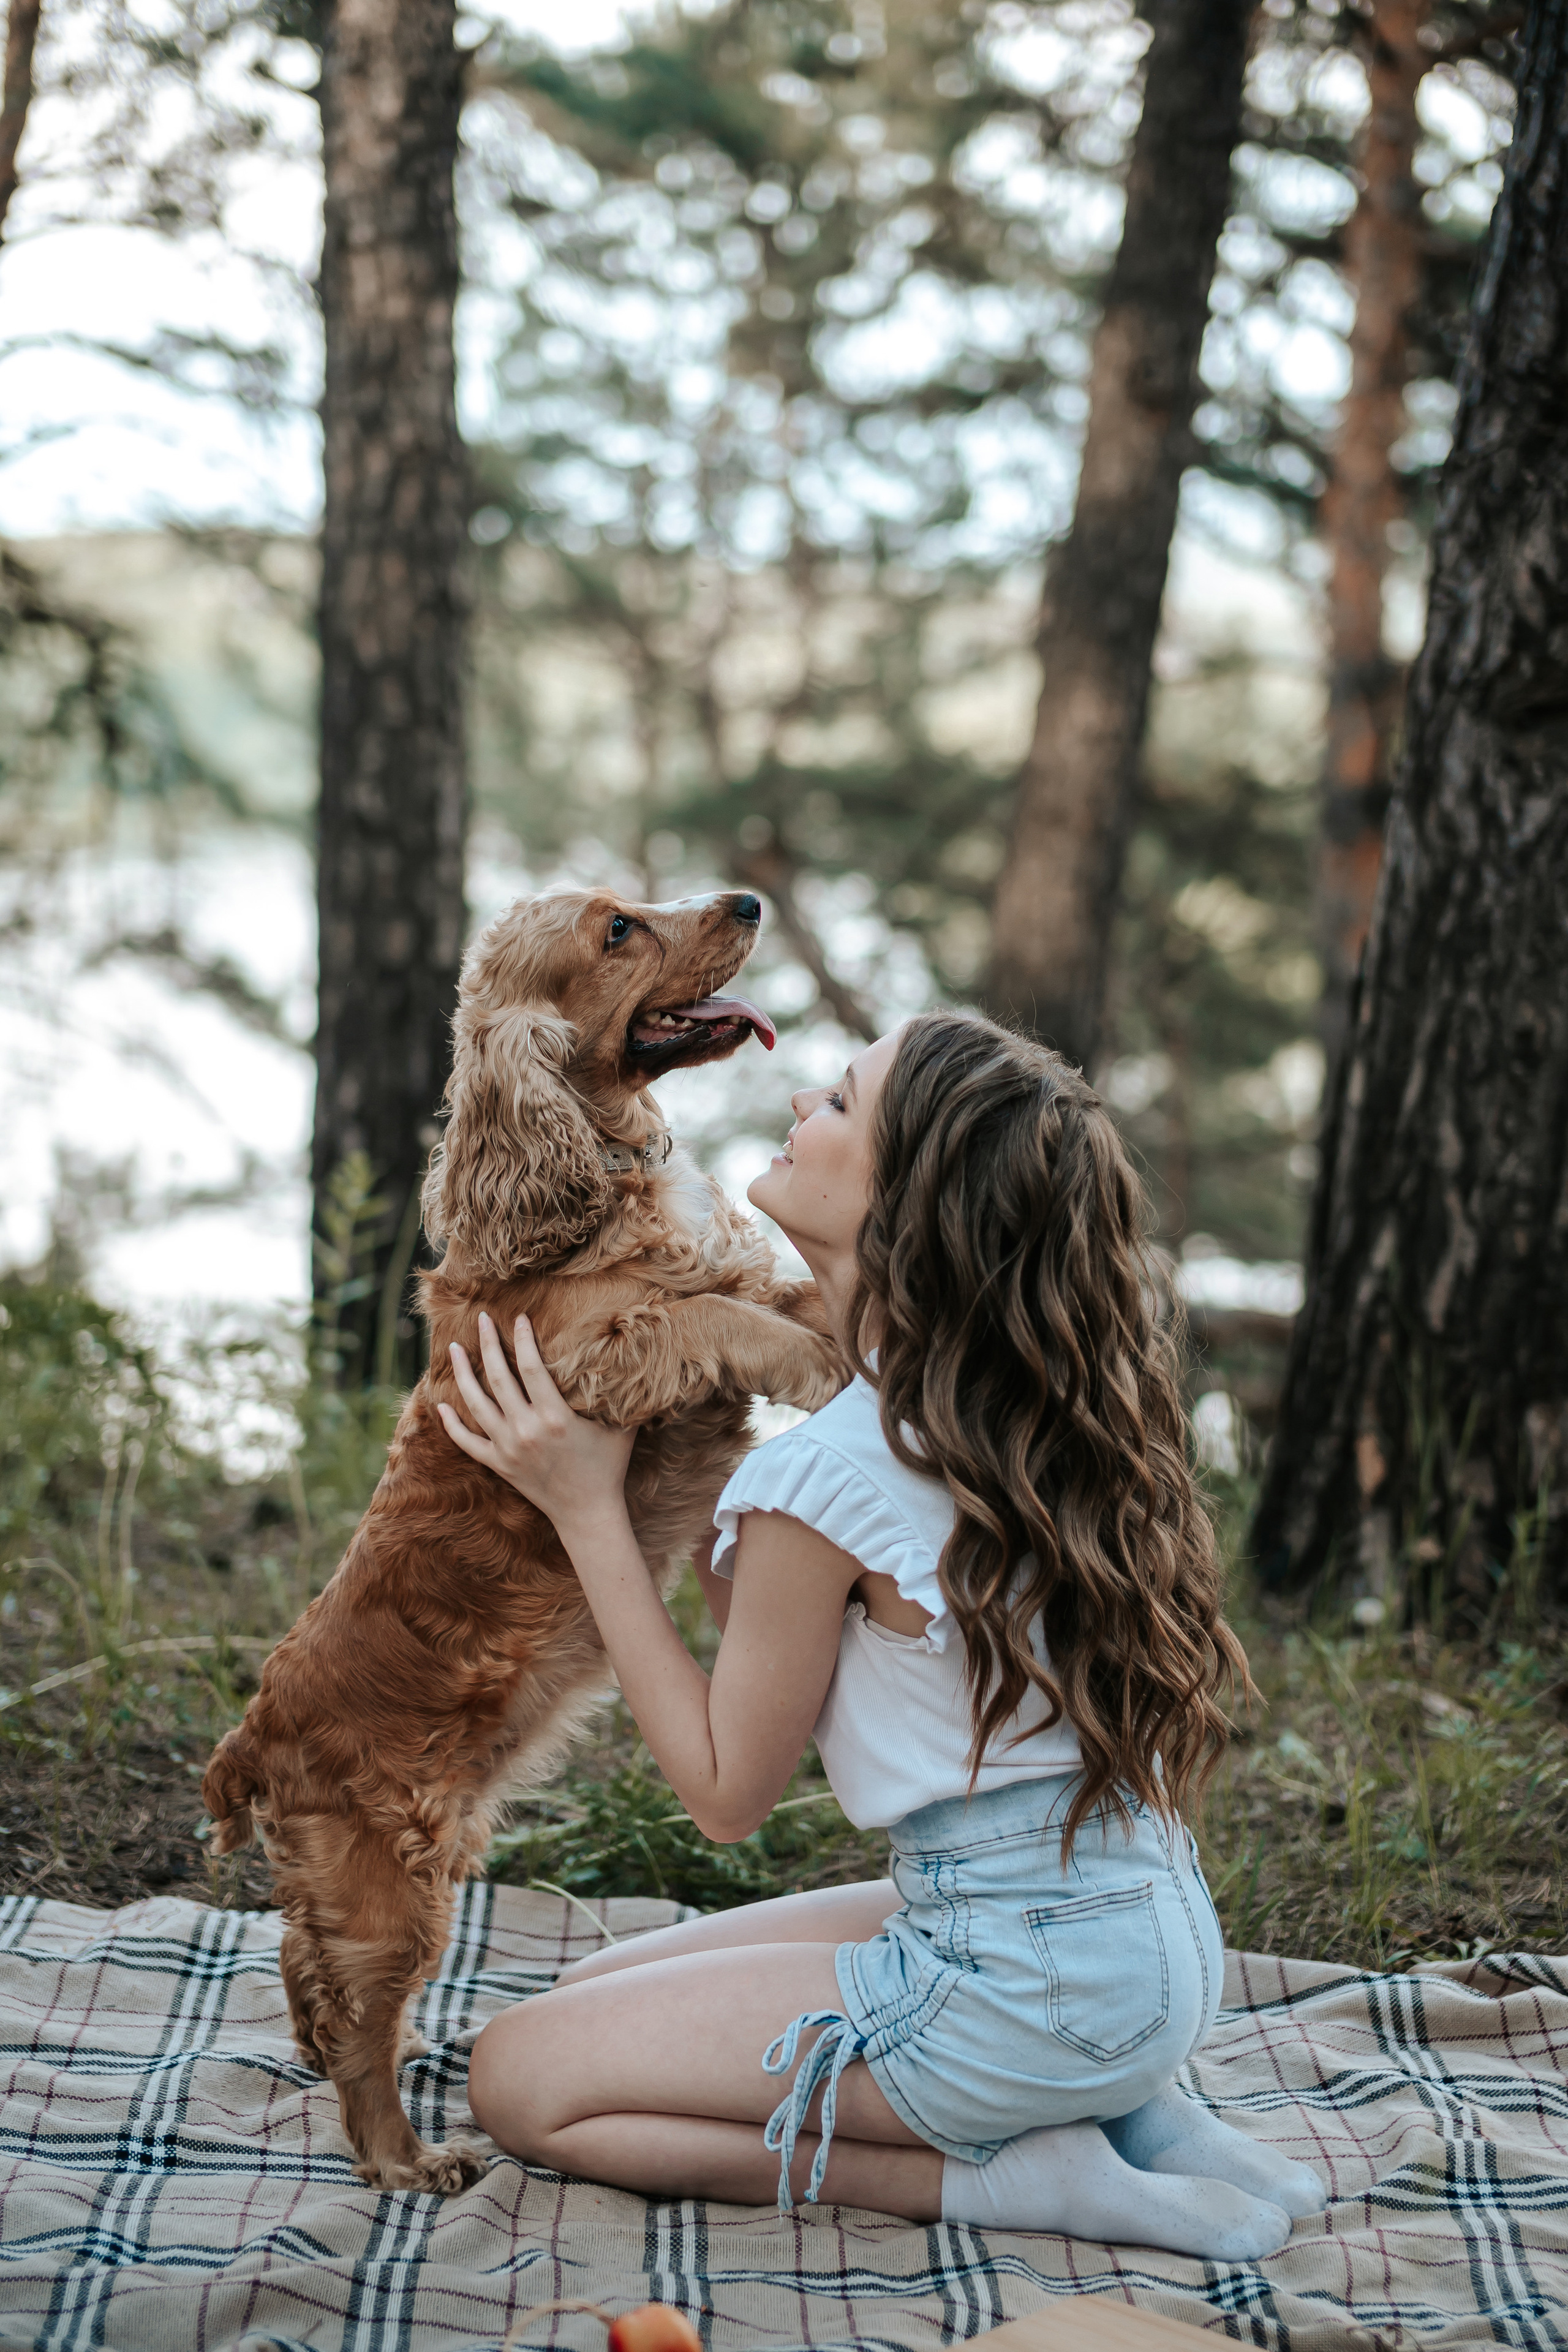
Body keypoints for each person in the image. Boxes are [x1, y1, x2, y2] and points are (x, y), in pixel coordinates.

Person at [441, 1010, 1325, 2256]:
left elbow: (723, 1793)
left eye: (844, 1101)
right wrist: (702, 1443)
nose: (804, 1098)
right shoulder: (1024, 1409)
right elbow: (771, 1641)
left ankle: (1015, 2177)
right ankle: (1132, 2114)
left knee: (520, 2077)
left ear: (908, 1203)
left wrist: (589, 1510)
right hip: (1141, 1941)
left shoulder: (838, 1474)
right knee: (591, 1997)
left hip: (1018, 1984)